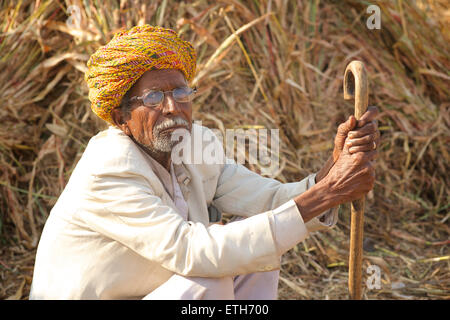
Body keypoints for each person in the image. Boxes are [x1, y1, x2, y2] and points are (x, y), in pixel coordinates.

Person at [29, 25, 380, 299]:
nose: (172, 107)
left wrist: (331, 173)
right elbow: (190, 252)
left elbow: (270, 202)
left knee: (255, 257)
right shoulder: (108, 169)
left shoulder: (196, 146)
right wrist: (329, 192)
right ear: (121, 117)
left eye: (181, 92)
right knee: (207, 285)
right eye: (154, 97)